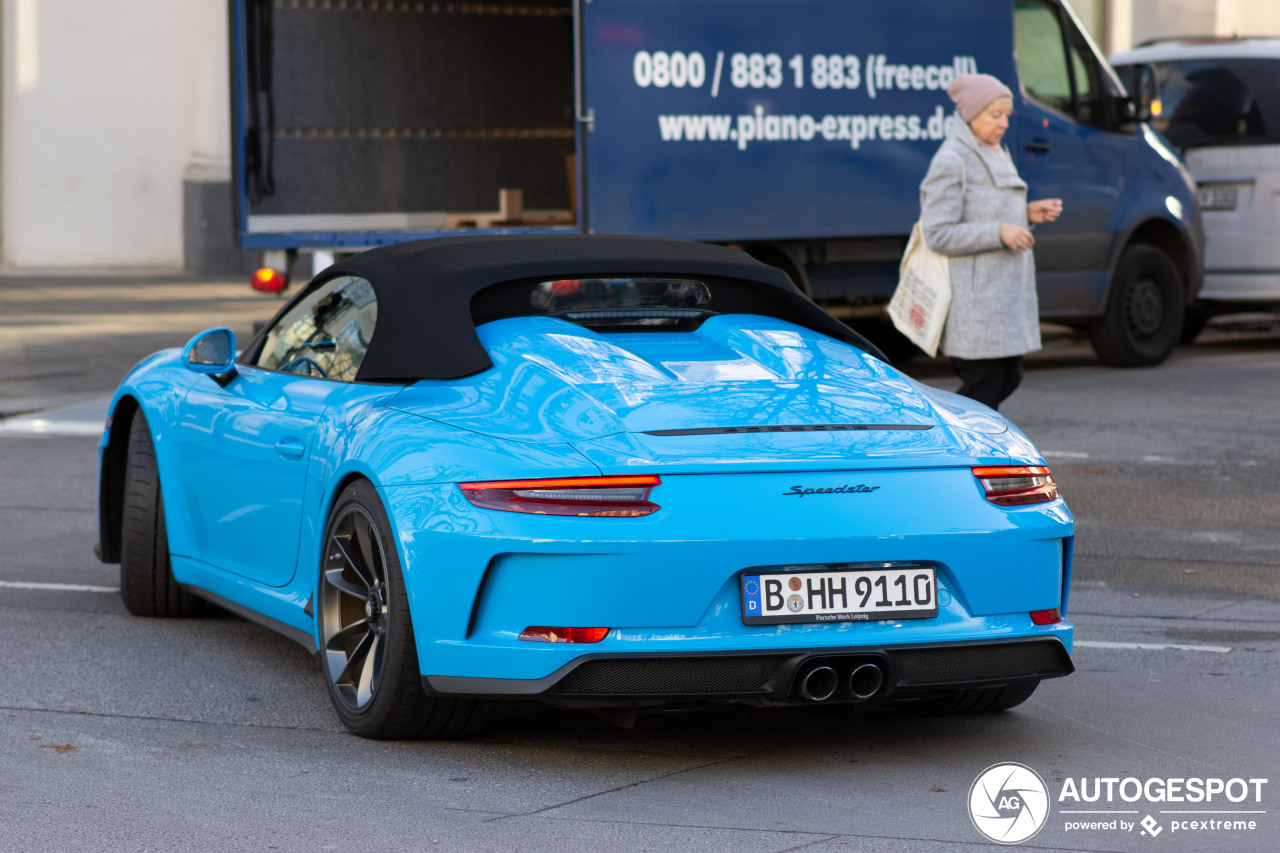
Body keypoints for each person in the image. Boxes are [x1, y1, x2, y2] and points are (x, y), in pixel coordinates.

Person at [918, 73, 1062, 410]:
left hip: (1002, 300)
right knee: (983, 389)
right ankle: (953, 443)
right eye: (993, 115)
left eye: (1006, 115)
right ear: (970, 115)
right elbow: (937, 233)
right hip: (977, 306)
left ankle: (971, 448)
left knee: (1009, 378)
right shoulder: (951, 160)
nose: (1002, 124)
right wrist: (998, 231)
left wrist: (1026, 215)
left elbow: (988, 208)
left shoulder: (995, 151)